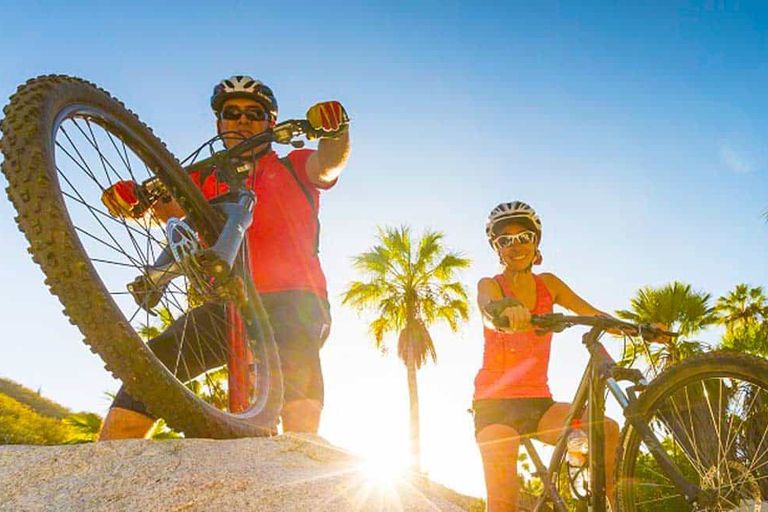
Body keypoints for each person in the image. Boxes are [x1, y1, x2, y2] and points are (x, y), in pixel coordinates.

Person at [98, 75, 350, 439]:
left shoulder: (294, 165)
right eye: (232, 113)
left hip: (295, 297)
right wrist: (131, 202)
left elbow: (330, 163)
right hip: (229, 304)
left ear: (271, 123)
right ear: (219, 124)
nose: (243, 120)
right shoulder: (200, 178)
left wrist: (336, 129)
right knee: (153, 368)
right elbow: (163, 208)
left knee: (295, 349)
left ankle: (303, 450)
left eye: (255, 113)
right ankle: (111, 461)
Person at [474, 201, 620, 512]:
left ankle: (619, 506)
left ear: (536, 241)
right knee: (502, 506)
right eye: (505, 240)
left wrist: (640, 329)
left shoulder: (549, 284)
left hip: (539, 404)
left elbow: (593, 314)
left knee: (607, 430)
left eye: (524, 236)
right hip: (494, 406)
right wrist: (503, 311)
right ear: (496, 248)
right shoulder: (491, 285)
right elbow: (487, 307)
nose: (516, 246)